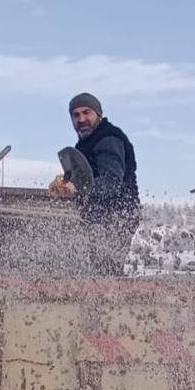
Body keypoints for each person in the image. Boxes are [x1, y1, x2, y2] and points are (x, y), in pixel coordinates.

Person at [50, 92, 140, 274]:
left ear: (98, 114)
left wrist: (75, 188)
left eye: (86, 112)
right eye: (76, 115)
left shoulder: (108, 139)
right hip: (95, 215)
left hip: (117, 215)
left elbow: (111, 183)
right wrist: (62, 184)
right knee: (89, 267)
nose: (81, 119)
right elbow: (83, 177)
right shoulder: (85, 144)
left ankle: (110, 297)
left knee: (105, 269)